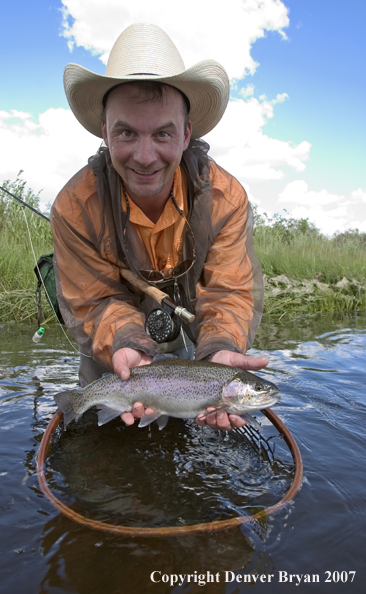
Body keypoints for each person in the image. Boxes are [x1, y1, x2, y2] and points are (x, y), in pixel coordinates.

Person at [51, 23, 268, 431]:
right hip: (114, 355)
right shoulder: (75, 208)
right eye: (127, 132)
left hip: (190, 362)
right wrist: (127, 343)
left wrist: (219, 349)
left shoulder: (225, 199)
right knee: (102, 451)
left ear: (186, 134)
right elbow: (94, 303)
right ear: (104, 133)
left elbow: (228, 292)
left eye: (163, 133)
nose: (145, 156)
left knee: (183, 432)